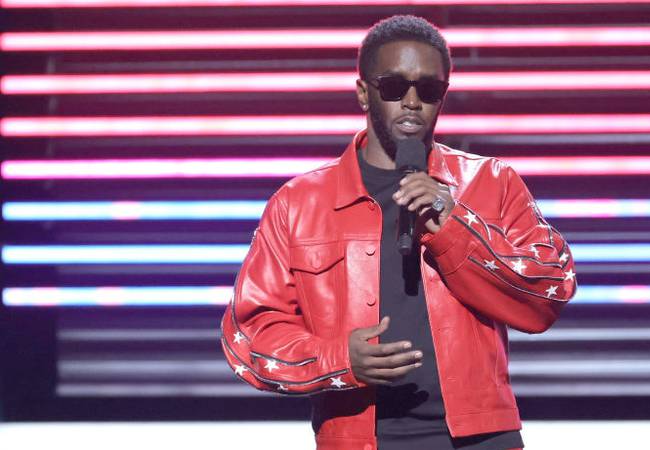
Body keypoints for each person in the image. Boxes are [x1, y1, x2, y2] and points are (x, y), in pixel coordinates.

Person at [220, 14, 577, 450]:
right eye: (393, 87)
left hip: (482, 437)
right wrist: (339, 360)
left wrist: (455, 227)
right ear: (363, 94)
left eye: (428, 90)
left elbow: (549, 291)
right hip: (359, 437)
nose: (412, 102)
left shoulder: (491, 183)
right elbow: (250, 334)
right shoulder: (298, 203)